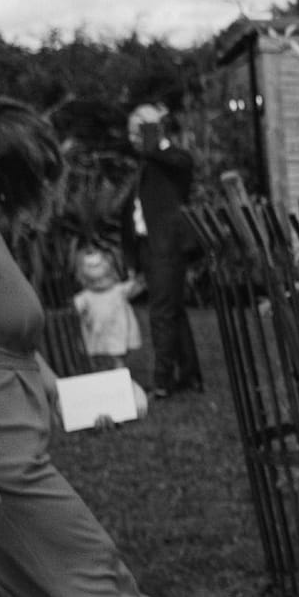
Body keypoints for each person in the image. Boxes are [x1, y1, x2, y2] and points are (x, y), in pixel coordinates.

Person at [0, 95, 218, 597]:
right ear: (14, 175)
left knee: (91, 568)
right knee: (88, 573)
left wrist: (83, 396)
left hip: (16, 446)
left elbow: (6, 343)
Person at [122, 103, 203, 397]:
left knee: (161, 314)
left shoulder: (172, 158)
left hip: (166, 247)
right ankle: (190, 374)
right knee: (173, 311)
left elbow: (183, 163)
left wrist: (151, 134)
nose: (131, 138)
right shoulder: (148, 162)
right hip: (148, 245)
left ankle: (163, 380)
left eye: (136, 131)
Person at [71, 244, 144, 372]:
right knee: (99, 364)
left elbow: (135, 287)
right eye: (95, 281)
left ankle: (118, 381)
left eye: (102, 279)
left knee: (117, 362)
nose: (100, 283)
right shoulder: (86, 297)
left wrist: (139, 278)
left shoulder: (118, 290)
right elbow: (74, 309)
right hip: (97, 336)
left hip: (117, 335)